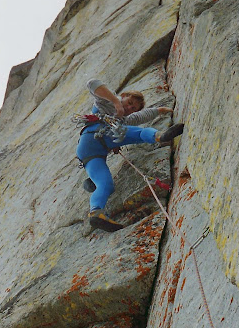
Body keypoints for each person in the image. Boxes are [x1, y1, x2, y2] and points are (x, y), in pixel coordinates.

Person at [77, 78, 184, 231]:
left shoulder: (124, 119)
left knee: (105, 185)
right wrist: (116, 101)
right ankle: (159, 136)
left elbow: (140, 117)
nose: (129, 108)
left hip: (90, 152)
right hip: (98, 133)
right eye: (129, 102)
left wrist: (159, 111)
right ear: (124, 96)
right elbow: (92, 83)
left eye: (133, 108)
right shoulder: (107, 102)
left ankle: (96, 212)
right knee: (138, 133)